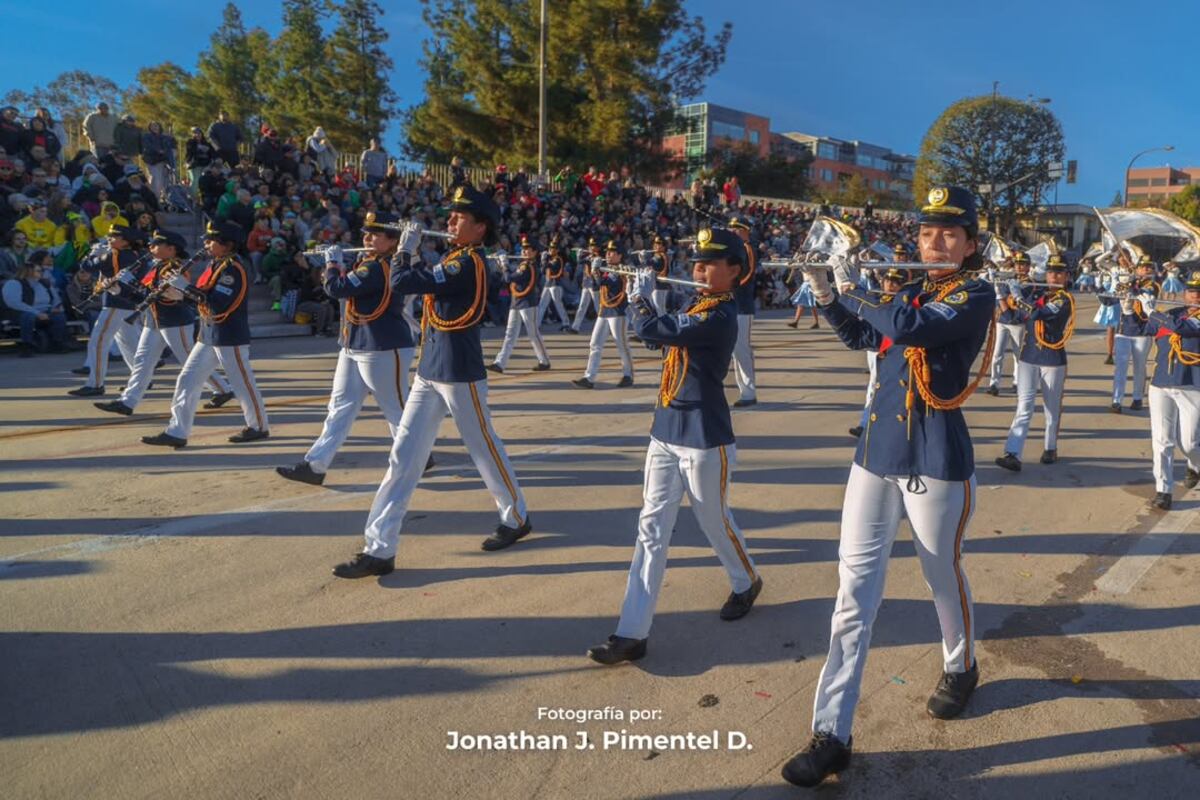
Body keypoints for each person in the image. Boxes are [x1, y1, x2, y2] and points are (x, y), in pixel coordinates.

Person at [782, 187, 993, 788]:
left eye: (950, 233)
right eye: (928, 233)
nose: (936, 242)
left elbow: (910, 328)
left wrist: (851, 285)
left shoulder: (973, 294)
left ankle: (960, 665)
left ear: (970, 244)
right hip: (876, 454)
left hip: (934, 456)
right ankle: (832, 732)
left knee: (940, 576)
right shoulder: (905, 291)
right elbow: (863, 338)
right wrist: (826, 292)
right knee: (854, 592)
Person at [331, 186, 533, 579]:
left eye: (459, 218)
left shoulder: (469, 263)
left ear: (480, 228)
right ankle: (379, 548)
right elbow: (420, 282)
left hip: (459, 371)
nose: (450, 222)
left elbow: (406, 281)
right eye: (451, 216)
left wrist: (406, 249)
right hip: (430, 368)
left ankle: (516, 516)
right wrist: (412, 252)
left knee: (483, 448)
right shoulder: (453, 257)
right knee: (404, 455)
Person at [587, 228, 762, 665]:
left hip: (704, 435)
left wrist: (642, 300)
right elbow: (655, 338)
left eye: (709, 264)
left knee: (714, 522)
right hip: (665, 428)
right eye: (696, 264)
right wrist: (650, 303)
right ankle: (632, 631)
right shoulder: (695, 302)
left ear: (734, 272)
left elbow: (653, 326)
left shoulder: (723, 313)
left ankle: (747, 580)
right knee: (651, 528)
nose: (698, 270)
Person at [276, 213, 416, 486]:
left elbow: (336, 288)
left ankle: (416, 458)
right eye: (366, 233)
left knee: (396, 410)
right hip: (355, 343)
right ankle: (315, 465)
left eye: (375, 235)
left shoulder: (378, 267)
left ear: (392, 241)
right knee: (339, 407)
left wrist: (331, 264)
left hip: (383, 345)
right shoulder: (369, 263)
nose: (367, 239)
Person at [142, 220, 269, 448]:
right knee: (187, 380)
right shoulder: (216, 264)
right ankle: (177, 431)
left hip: (229, 335)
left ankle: (259, 426)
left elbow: (219, 303)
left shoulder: (234, 269)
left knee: (242, 384)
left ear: (228, 245)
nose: (207, 244)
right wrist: (179, 294)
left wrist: (185, 289)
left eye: (212, 241)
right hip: (208, 333)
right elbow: (203, 297)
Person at [93, 230, 234, 416]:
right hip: (153, 321)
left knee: (189, 361)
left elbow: (173, 299)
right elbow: (142, 296)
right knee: (142, 361)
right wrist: (119, 289)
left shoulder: (175, 269)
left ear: (171, 249)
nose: (150, 247)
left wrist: (140, 288)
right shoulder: (155, 267)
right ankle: (128, 401)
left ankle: (223, 389)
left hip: (175, 322)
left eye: (156, 244)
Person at [994, 255, 1076, 471]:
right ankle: (1012, 452)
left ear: (1066, 276)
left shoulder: (1064, 298)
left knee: (1051, 408)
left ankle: (1050, 447)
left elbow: (1038, 314)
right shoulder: (1036, 292)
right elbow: (1013, 317)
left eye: (1058, 272)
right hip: (1029, 356)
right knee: (1024, 406)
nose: (1053, 276)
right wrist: (1000, 293)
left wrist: (1017, 294)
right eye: (1050, 272)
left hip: (1051, 357)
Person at [67, 225, 147, 397]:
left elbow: (87, 266)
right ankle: (141, 380)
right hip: (126, 302)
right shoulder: (131, 254)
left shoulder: (115, 254)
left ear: (125, 241)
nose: (109, 239)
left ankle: (95, 383)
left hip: (116, 303)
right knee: (129, 343)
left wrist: (93, 254)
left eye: (114, 237)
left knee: (98, 341)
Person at [1144, 273, 1200, 510]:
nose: (1194, 295)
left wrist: (1153, 313)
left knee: (1189, 443)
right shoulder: (1174, 314)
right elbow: (1146, 329)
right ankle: (1163, 489)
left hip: (1191, 383)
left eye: (1198, 292)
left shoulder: (1190, 319)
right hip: (1161, 382)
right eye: (1191, 291)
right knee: (1162, 440)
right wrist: (1130, 309)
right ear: (1184, 293)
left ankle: (1194, 466)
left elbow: (1182, 329)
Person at [849, 263, 911, 438]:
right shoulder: (875, 299)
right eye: (888, 281)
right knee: (874, 385)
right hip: (875, 348)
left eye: (895, 282)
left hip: (894, 349)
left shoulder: (903, 303)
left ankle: (872, 423)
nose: (890, 285)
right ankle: (865, 424)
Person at [1101, 255, 1160, 413]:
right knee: (1120, 367)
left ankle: (1137, 398)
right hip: (1124, 331)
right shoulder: (1127, 282)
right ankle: (1116, 400)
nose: (1146, 269)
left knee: (1139, 367)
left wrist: (1129, 284)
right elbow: (1109, 301)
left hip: (1142, 331)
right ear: (1138, 268)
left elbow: (1142, 295)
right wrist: (1103, 291)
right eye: (1143, 267)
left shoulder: (1153, 286)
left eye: (1149, 267)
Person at [573, 240, 634, 389]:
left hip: (617, 312)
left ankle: (628, 375)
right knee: (595, 344)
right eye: (607, 251)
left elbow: (608, 284)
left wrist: (596, 271)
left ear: (620, 255)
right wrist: (594, 270)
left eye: (612, 252)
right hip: (604, 311)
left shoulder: (622, 270)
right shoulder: (606, 269)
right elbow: (596, 286)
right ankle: (589, 377)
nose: (608, 254)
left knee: (621, 344)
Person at [489, 235, 551, 373]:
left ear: (535, 252)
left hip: (528, 303)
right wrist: (501, 263)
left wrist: (504, 264)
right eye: (523, 249)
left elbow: (508, 278)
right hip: (516, 302)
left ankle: (544, 361)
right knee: (510, 333)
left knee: (533, 333)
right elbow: (509, 277)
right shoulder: (523, 264)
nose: (524, 251)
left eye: (528, 249)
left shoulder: (528, 266)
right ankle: (500, 363)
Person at [985, 251, 1032, 396]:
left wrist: (1012, 290)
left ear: (1028, 267)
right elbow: (1001, 298)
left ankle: (1017, 382)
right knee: (997, 353)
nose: (1019, 267)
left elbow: (1023, 304)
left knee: (1018, 355)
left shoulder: (1030, 284)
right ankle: (994, 383)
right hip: (1003, 321)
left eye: (1023, 264)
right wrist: (994, 280)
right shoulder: (1008, 278)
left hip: (1017, 322)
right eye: (1017, 264)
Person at [1, 260, 68, 356]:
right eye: (38, 271)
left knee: (59, 316)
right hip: (21, 312)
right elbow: (14, 303)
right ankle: (26, 346)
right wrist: (37, 313)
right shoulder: (14, 283)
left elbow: (55, 299)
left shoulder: (44, 283)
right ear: (28, 271)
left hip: (45, 311)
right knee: (28, 316)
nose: (41, 272)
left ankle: (57, 344)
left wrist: (55, 307)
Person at [728, 216, 758, 406]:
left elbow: (747, 274)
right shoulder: (734, 249)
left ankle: (749, 393)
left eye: (737, 229)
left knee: (742, 349)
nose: (733, 232)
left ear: (745, 231)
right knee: (735, 350)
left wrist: (730, 285)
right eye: (732, 229)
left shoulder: (747, 249)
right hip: (732, 302)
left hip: (743, 303)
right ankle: (744, 390)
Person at [535, 233, 570, 329]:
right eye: (550, 249)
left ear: (557, 250)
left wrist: (545, 260)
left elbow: (551, 267)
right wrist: (543, 259)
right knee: (542, 304)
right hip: (548, 283)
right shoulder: (549, 258)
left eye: (553, 249)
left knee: (558, 304)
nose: (550, 250)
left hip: (555, 284)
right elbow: (542, 271)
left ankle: (566, 323)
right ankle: (536, 324)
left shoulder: (558, 259)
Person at [569, 238, 601, 334]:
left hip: (594, 284)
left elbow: (583, 262)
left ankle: (605, 326)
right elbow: (581, 261)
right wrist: (579, 254)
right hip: (586, 283)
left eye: (594, 246)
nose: (591, 248)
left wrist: (581, 256)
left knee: (598, 307)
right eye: (590, 246)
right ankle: (575, 327)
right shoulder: (589, 256)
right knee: (582, 306)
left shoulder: (598, 257)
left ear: (597, 248)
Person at [140, 122, 176, 201]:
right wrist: (158, 150)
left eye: (156, 126)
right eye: (152, 126)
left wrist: (172, 138)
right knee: (156, 180)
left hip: (164, 161)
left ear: (160, 127)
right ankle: (154, 199)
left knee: (166, 181)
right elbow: (148, 146)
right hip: (153, 161)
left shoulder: (164, 137)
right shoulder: (147, 136)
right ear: (149, 127)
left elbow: (172, 146)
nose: (155, 128)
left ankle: (165, 199)